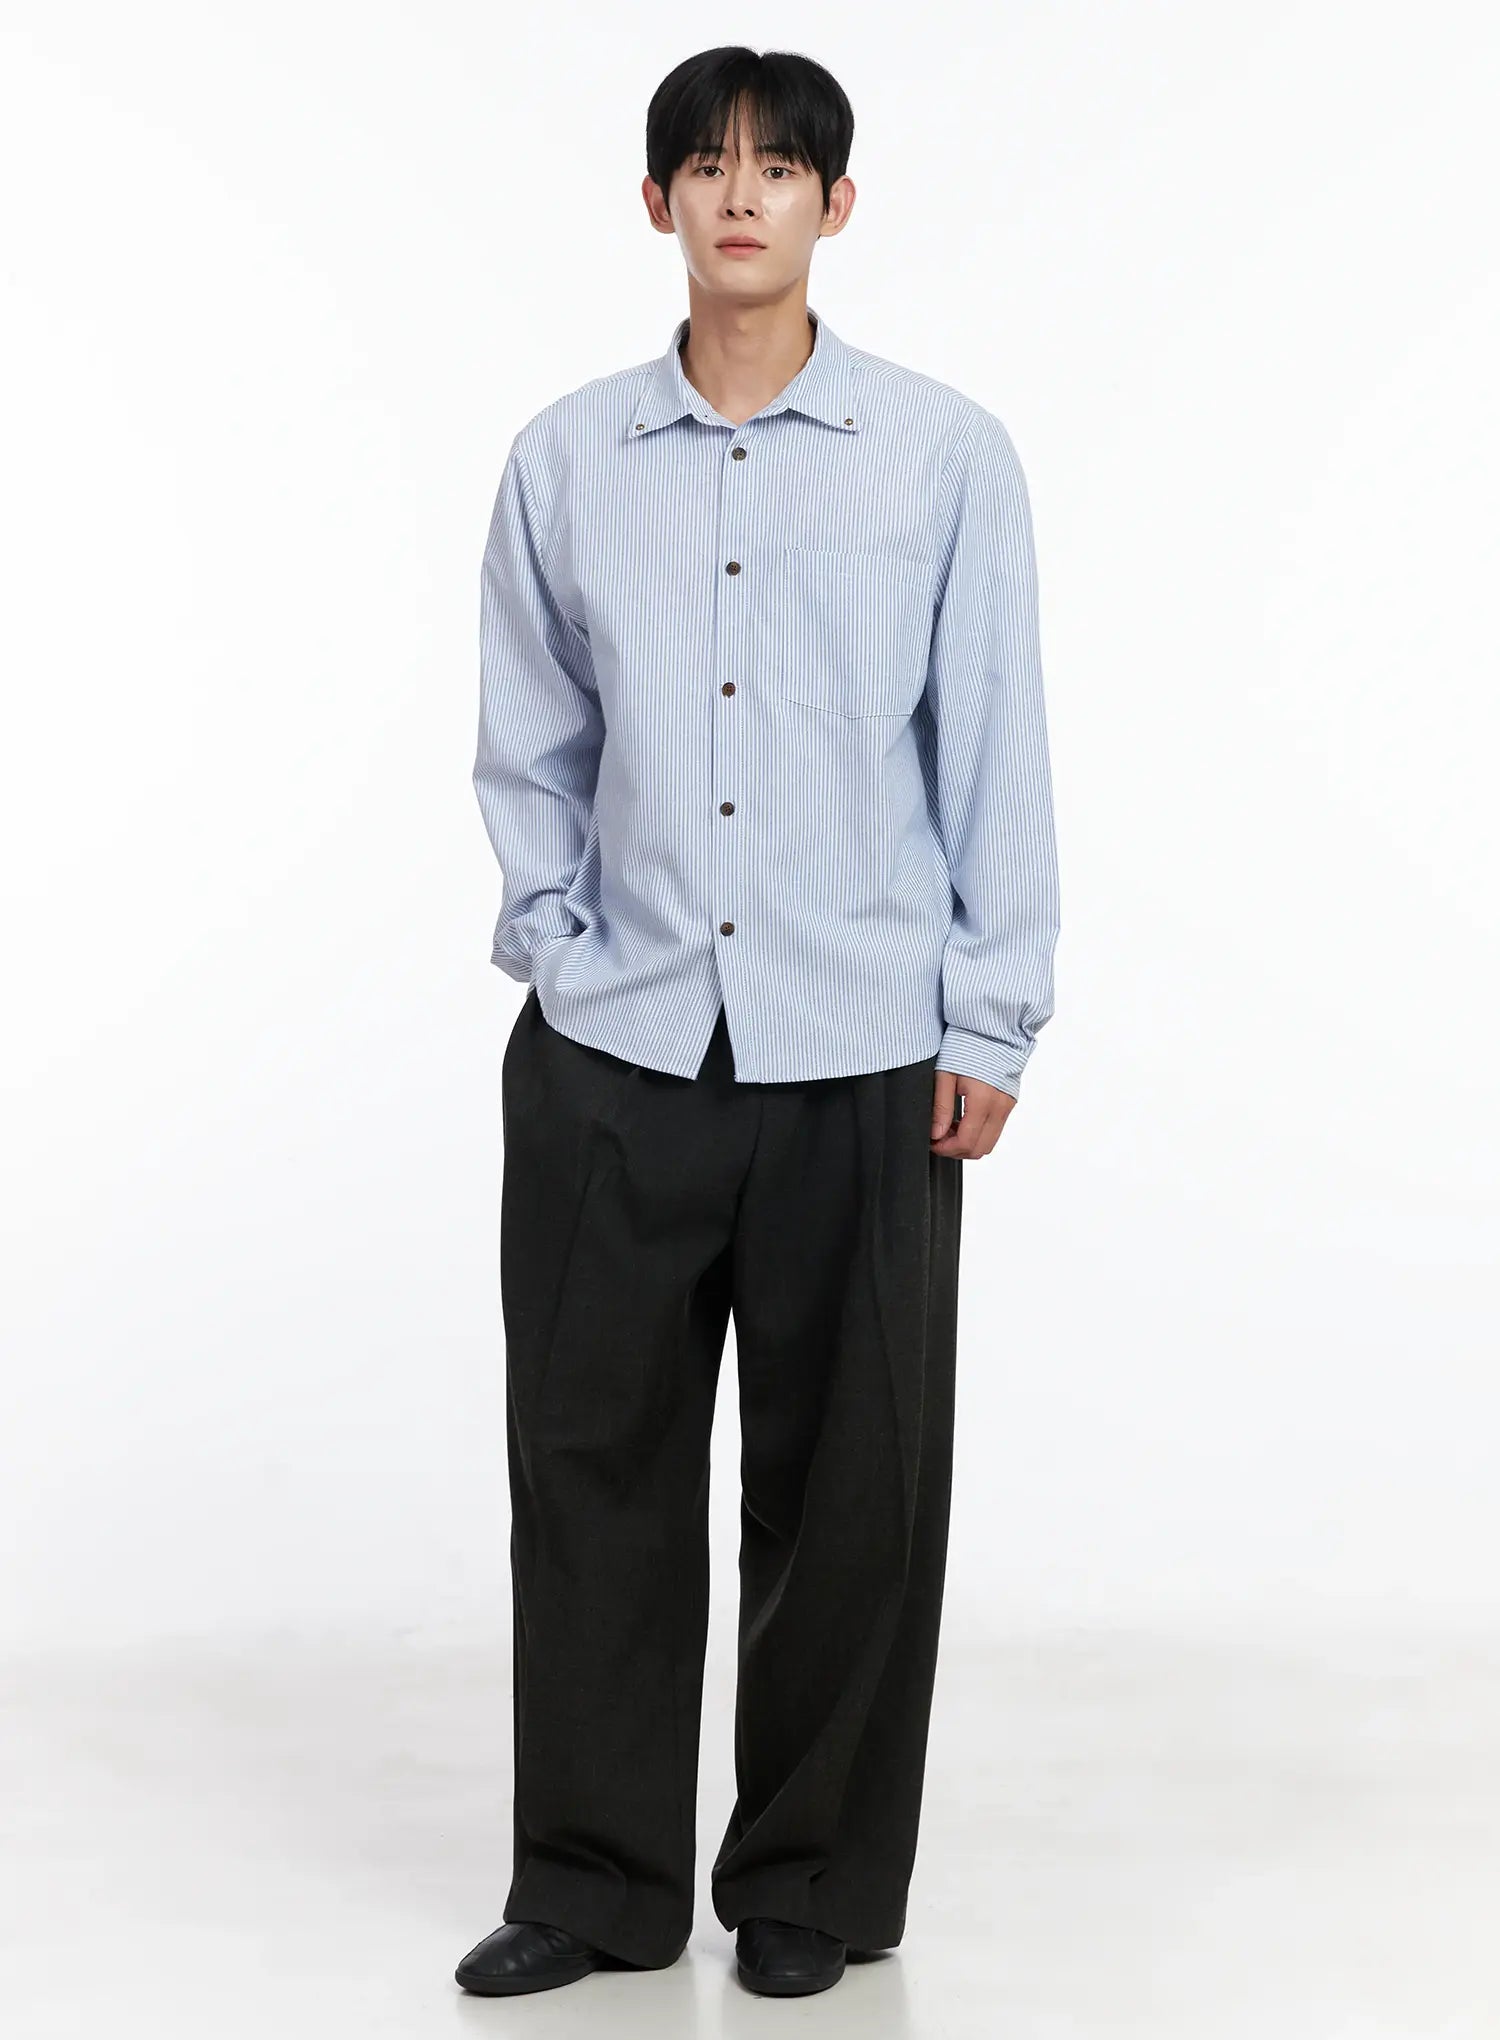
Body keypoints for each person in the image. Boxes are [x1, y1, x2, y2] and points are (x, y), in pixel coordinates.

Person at [456, 42, 1060, 2001]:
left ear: (834, 205)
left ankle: (810, 1885)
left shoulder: (943, 457)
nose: (742, 195)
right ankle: (595, 1887)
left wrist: (992, 1014)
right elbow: (530, 737)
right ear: (656, 204)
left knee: (855, 1490)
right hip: (616, 1053)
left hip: (862, 1050)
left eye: (781, 167)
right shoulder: (566, 459)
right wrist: (560, 947)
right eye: (707, 167)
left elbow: (993, 745)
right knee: (592, 1478)